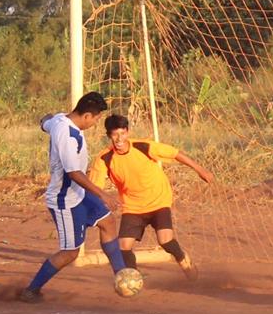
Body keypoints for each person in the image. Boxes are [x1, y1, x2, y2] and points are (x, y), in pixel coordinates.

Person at [19, 92, 128, 303]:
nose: (96, 123)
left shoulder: (60, 119)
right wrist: (104, 194)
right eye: (96, 119)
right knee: (70, 253)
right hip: (65, 200)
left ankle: (122, 275)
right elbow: (74, 173)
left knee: (108, 222)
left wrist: (43, 122)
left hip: (79, 192)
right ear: (86, 115)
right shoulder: (69, 136)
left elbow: (46, 121)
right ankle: (31, 290)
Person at [89, 114, 213, 280]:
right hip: (132, 207)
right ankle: (133, 279)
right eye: (114, 134)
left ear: (127, 132)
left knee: (165, 240)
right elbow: (95, 187)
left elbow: (175, 153)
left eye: (122, 133)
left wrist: (200, 170)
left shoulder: (143, 146)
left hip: (158, 201)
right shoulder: (104, 159)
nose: (119, 138)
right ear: (109, 135)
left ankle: (184, 260)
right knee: (124, 246)